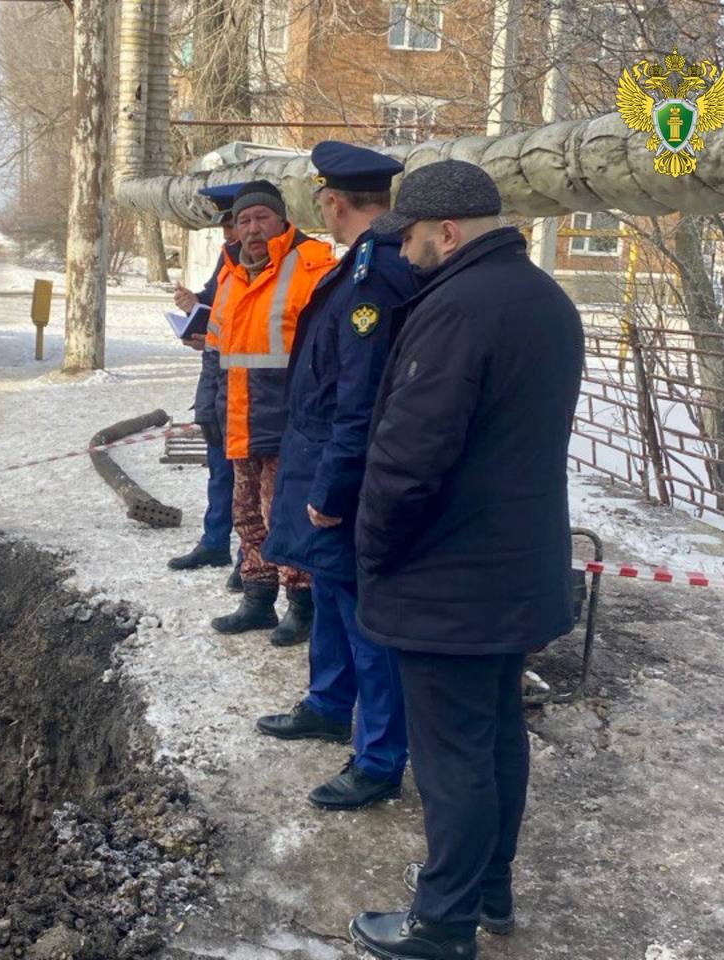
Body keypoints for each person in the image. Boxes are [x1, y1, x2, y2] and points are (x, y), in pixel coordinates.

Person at [346, 159, 583, 960]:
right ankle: (489, 891)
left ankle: (442, 924)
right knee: (495, 738)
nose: (404, 250)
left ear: (446, 231)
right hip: (515, 568)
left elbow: (409, 458)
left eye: (411, 235)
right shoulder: (545, 298)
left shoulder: (456, 309)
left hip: (449, 577)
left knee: (452, 760)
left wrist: (373, 548)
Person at [257, 142, 417, 809]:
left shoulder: (374, 276)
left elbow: (362, 398)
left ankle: (379, 758)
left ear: (333, 201)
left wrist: (332, 490)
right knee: (329, 592)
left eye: (321, 201)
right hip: (319, 456)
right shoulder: (360, 265)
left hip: (342, 471)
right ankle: (328, 703)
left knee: (361, 614)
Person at [208, 180, 336, 636]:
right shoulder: (230, 274)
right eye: (243, 220)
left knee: (285, 515)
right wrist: (212, 407)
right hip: (240, 418)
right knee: (246, 515)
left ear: (282, 220)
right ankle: (257, 599)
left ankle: (302, 606)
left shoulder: (313, 268)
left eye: (262, 217)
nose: (252, 228)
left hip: (290, 423)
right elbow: (217, 351)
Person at [168, 184, 245, 594]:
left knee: (248, 478)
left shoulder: (265, 263)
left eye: (232, 225)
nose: (228, 234)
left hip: (247, 384)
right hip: (216, 376)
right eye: (226, 226)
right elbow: (216, 304)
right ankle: (215, 542)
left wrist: (211, 325)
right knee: (219, 466)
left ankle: (252, 558)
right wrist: (193, 303)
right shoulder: (228, 258)